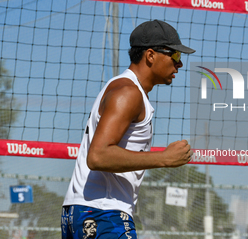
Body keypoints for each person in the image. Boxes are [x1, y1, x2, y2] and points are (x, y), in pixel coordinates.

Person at [61, 19, 196, 239]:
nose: (179, 65)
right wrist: (164, 158)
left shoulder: (123, 88)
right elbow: (98, 156)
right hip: (102, 211)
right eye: (175, 56)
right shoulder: (128, 92)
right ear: (150, 55)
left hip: (85, 210)